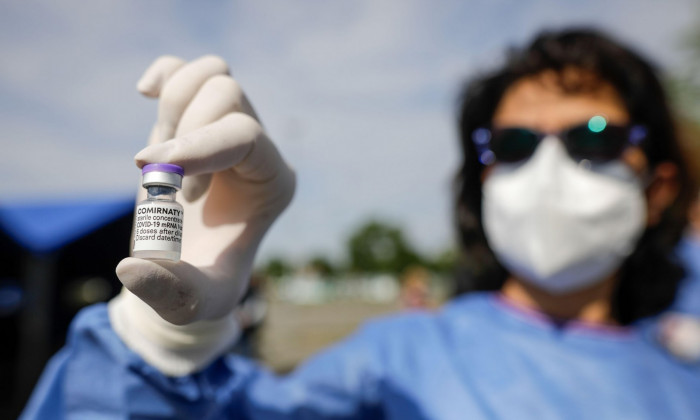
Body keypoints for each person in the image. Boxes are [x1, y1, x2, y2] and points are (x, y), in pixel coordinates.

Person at [21, 27, 700, 419]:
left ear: (659, 186)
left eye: (593, 139)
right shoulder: (397, 361)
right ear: (483, 179)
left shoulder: (683, 380)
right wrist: (165, 344)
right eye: (516, 145)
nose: (550, 170)